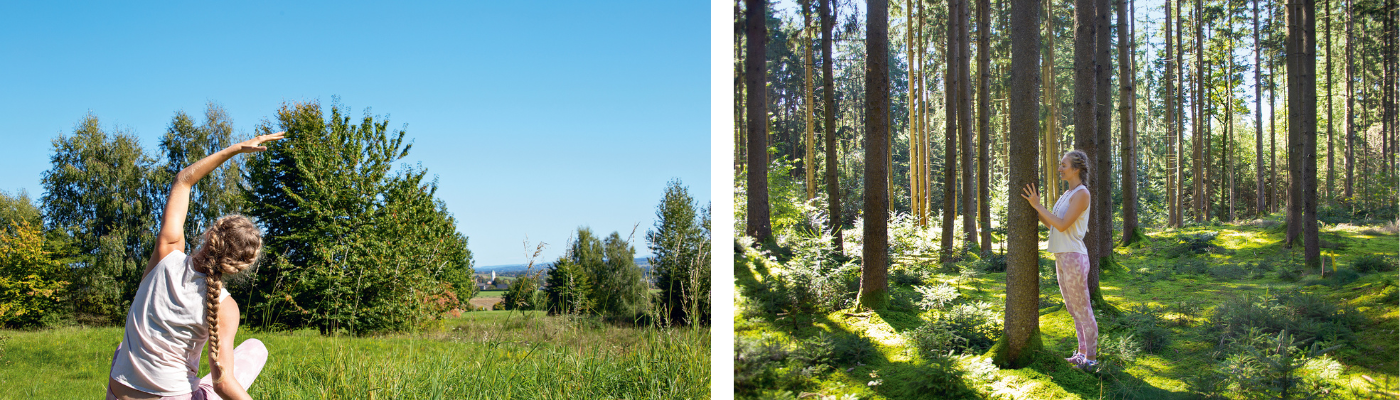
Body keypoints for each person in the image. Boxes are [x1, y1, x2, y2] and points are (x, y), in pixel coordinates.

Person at [107, 132, 286, 400]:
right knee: (255, 348)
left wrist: (234, 149)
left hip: (119, 392)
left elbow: (183, 180)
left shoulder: (166, 254)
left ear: (209, 234)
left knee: (123, 350)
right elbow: (222, 383)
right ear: (239, 267)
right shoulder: (225, 307)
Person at [1020, 149, 1097, 370]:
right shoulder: (1067, 194)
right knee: (1073, 308)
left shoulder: (1082, 193)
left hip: (1074, 257)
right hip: (1062, 255)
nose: (1060, 168)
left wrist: (1037, 205)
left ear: (1076, 168)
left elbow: (1063, 225)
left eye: (1064, 165)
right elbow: (1054, 225)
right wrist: (1037, 211)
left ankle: (1091, 360)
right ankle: (1081, 353)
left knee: (1083, 309)